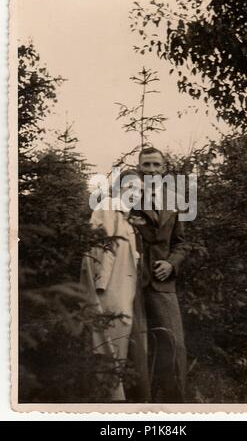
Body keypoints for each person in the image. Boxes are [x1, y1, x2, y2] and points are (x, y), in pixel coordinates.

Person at [80, 169, 150, 401]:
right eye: (130, 186)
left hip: (121, 285)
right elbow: (104, 248)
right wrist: (101, 285)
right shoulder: (109, 206)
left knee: (116, 337)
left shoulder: (124, 214)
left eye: (139, 189)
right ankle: (110, 399)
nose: (135, 193)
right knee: (108, 337)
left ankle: (114, 395)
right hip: (109, 286)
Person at [131, 146, 188, 402]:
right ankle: (137, 402)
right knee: (135, 345)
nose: (151, 170)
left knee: (173, 343)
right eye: (147, 165)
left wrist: (171, 264)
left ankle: (175, 401)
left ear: (163, 169)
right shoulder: (126, 198)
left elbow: (182, 243)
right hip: (131, 283)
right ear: (139, 168)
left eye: (156, 165)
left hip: (163, 283)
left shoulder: (175, 200)